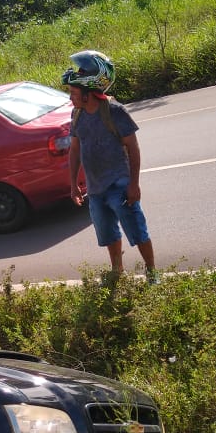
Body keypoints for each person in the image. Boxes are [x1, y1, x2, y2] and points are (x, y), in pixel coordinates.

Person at [62, 49, 157, 280]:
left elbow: (133, 149)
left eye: (73, 92)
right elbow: (75, 150)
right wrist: (74, 185)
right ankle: (118, 271)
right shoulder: (77, 114)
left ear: (89, 93)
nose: (70, 98)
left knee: (137, 231)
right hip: (95, 190)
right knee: (108, 234)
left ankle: (152, 272)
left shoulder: (115, 112)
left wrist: (134, 184)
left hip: (119, 185)